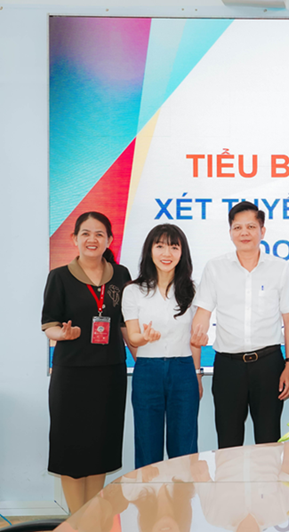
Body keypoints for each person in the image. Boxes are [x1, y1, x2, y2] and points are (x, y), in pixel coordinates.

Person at [41, 211, 132, 513]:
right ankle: (77, 520)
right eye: (86, 233)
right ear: (74, 239)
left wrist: (142, 352)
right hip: (71, 375)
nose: (92, 239)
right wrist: (62, 334)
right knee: (70, 448)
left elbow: (125, 324)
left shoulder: (121, 275)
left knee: (100, 447)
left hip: (110, 373)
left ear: (109, 240)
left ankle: (92, 517)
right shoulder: (59, 276)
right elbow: (49, 324)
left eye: (99, 234)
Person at [191, 201, 289, 448]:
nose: (244, 233)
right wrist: (197, 355)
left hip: (269, 365)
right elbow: (202, 315)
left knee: (269, 442)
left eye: (251, 226)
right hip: (228, 367)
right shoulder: (215, 268)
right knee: (228, 444)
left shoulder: (280, 268)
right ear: (230, 232)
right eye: (237, 227)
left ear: (262, 231)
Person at [122, 224, 201, 468]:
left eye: (174, 247)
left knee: (184, 450)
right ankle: (148, 494)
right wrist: (145, 338)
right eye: (160, 246)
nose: (167, 253)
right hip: (147, 371)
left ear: (182, 253)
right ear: (150, 250)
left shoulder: (192, 290)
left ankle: (183, 494)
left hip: (184, 371)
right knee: (147, 447)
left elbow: (194, 339)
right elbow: (132, 337)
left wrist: (197, 375)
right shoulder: (133, 291)